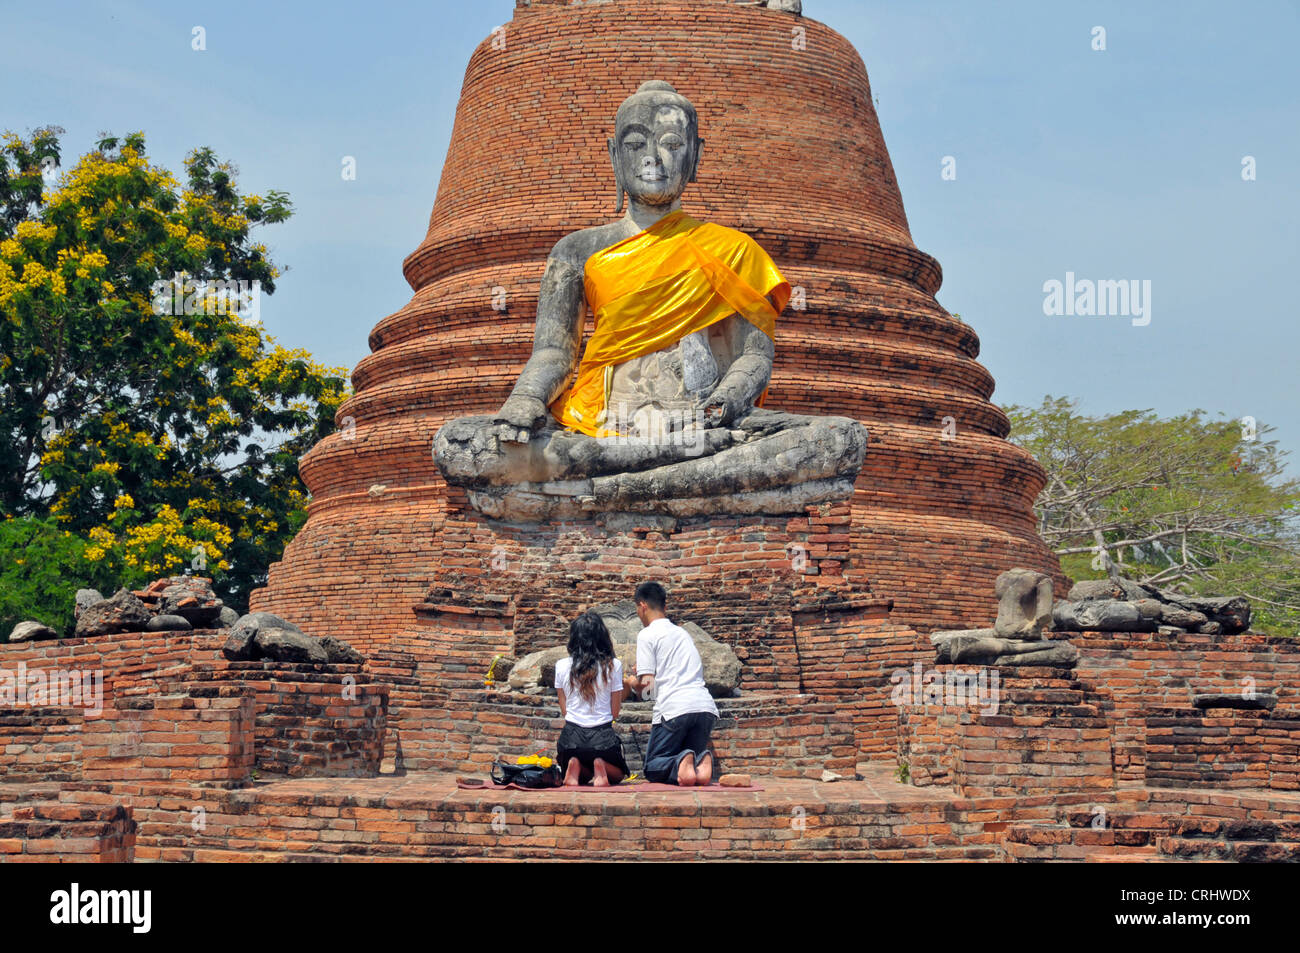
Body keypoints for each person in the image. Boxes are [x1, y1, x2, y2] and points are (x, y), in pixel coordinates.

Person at [623, 580, 719, 786]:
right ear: (664, 606)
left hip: (675, 708)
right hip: (704, 708)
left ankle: (678, 764)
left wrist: (632, 682)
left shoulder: (647, 634)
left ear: (642, 606)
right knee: (689, 761)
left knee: (653, 766)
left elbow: (647, 690)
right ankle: (701, 763)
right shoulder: (682, 633)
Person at [554, 610, 629, 786]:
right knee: (618, 774)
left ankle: (575, 765)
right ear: (603, 637)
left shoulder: (561, 665)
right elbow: (615, 712)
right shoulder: (613, 665)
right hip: (602, 737)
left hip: (570, 738)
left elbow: (565, 711)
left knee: (581, 769)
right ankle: (601, 765)